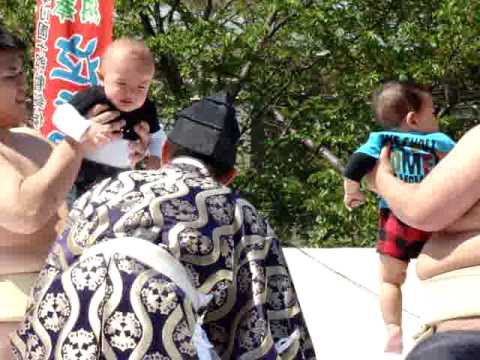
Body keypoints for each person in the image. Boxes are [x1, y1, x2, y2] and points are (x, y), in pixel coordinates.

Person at [11, 93, 317, 359]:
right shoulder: (239, 211)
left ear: (167, 151)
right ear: (230, 176)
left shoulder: (110, 186)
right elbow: (262, 324)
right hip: (151, 323)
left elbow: (55, 266)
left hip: (62, 319)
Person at [0, 27, 151, 359]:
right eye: (12, 75)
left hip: (71, 307)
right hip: (11, 320)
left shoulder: (33, 140)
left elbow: (82, 206)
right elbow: (26, 213)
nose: (24, 84)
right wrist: (77, 140)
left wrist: (134, 157)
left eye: (23, 71)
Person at [343, 80, 455, 353]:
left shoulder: (379, 140)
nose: (436, 117)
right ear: (414, 119)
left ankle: (393, 328)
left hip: (396, 218)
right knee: (442, 273)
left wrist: (352, 193)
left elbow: (355, 166)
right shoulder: (439, 141)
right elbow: (458, 167)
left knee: (390, 279)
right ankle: (445, 322)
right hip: (433, 216)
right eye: (433, 112)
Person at [367, 103, 480, 359]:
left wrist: (381, 180)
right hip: (462, 331)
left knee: (390, 278)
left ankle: (392, 326)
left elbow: (421, 211)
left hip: (468, 336)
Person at [53, 37, 166, 197]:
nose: (131, 93)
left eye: (141, 87)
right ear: (102, 77)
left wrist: (155, 157)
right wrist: (86, 129)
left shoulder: (146, 108)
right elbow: (61, 114)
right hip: (82, 170)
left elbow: (158, 136)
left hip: (123, 175)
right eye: (121, 84)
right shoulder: (94, 96)